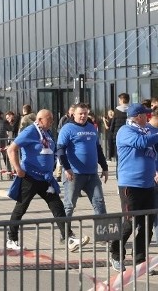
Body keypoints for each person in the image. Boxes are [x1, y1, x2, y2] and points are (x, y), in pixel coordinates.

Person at [5, 109, 89, 252]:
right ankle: (11, 239)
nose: (52, 122)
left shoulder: (47, 133)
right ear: (40, 119)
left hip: (45, 179)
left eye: (52, 119)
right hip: (30, 177)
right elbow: (11, 149)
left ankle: (69, 237)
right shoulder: (30, 131)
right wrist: (18, 169)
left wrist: (65, 167)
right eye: (49, 119)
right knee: (21, 208)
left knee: (57, 207)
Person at [108, 103, 158, 272]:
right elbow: (141, 143)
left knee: (147, 224)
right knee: (130, 223)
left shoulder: (149, 131)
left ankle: (139, 260)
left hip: (148, 185)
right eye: (145, 114)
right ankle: (115, 253)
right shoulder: (125, 131)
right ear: (138, 116)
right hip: (131, 185)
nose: (148, 117)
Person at [57, 103, 108, 219]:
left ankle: (103, 234)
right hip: (74, 174)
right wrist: (67, 168)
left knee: (99, 203)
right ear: (73, 114)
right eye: (80, 114)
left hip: (92, 174)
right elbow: (60, 150)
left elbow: (98, 149)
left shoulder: (91, 127)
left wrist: (104, 167)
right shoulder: (67, 128)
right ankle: (65, 233)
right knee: (69, 205)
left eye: (85, 113)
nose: (83, 116)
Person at [109, 93, 130, 164]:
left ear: (122, 100)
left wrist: (111, 134)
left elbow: (113, 125)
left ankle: (119, 174)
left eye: (119, 100)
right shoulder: (131, 111)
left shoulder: (117, 111)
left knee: (119, 159)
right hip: (129, 137)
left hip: (118, 137)